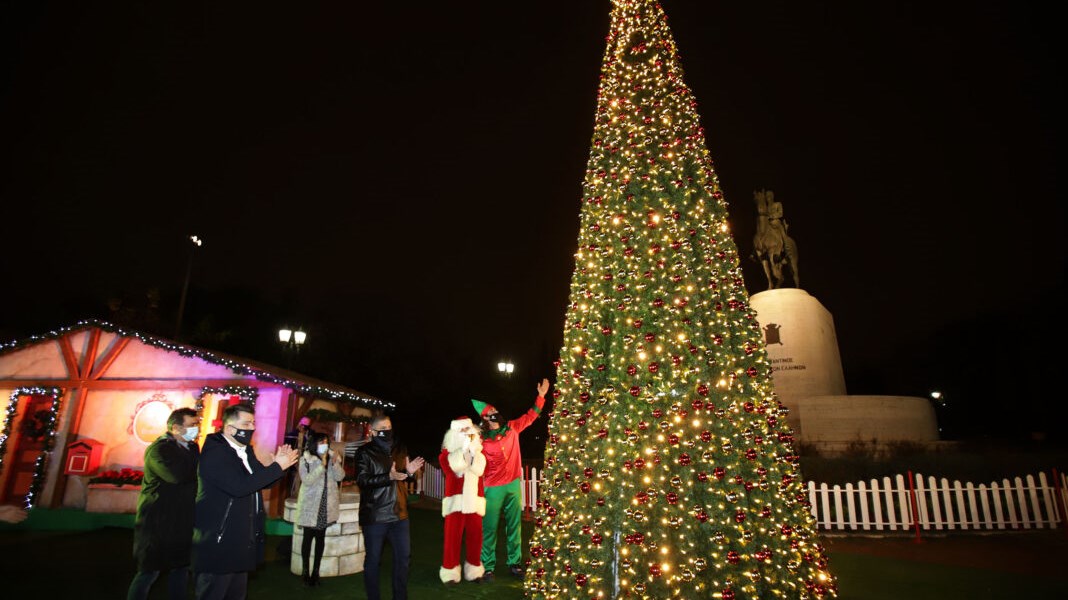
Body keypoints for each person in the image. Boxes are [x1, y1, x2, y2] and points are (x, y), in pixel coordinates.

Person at [192, 403, 299, 600]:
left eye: (253, 423)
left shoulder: (245, 451)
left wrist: (280, 468)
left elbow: (260, 481)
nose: (252, 428)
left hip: (240, 541)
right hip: (219, 541)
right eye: (247, 423)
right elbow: (239, 487)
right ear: (230, 428)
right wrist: (276, 467)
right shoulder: (216, 454)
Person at [472, 377, 550, 581]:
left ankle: (514, 564)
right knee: (489, 528)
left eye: (495, 410)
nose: (496, 413)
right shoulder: (480, 439)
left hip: (513, 484)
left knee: (514, 526)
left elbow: (531, 416)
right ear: (486, 418)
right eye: (491, 412)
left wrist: (540, 397)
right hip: (492, 488)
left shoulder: (513, 428)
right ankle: (487, 567)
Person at [127, 407, 201, 600]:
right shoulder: (159, 449)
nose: (197, 429)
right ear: (176, 428)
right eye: (192, 425)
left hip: (182, 519)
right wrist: (202, 472)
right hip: (157, 521)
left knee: (181, 568)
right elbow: (176, 476)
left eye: (197, 424)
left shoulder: (192, 447)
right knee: (149, 572)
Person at [354, 414, 425, 600]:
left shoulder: (400, 448)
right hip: (375, 515)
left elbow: (400, 475)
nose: (387, 431)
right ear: (374, 431)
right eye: (383, 428)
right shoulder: (364, 452)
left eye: (389, 427)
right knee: (373, 561)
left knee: (403, 559)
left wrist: (408, 473)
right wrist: (389, 477)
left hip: (399, 514)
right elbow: (362, 480)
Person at [438, 416, 486, 585]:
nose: (466, 433)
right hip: (455, 501)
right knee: (452, 537)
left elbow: (479, 469)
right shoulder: (446, 453)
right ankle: (450, 571)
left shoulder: (479, 451)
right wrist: (464, 451)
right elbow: (453, 468)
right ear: (454, 433)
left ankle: (474, 570)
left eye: (468, 429)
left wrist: (471, 451)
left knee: (475, 537)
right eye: (462, 430)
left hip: (474, 500)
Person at [295, 431, 345, 587]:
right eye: (321, 442)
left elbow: (340, 477)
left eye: (326, 442)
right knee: (308, 539)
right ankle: (305, 572)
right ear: (314, 443)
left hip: (325, 504)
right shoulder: (306, 459)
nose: (324, 445)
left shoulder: (331, 458)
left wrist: (335, 463)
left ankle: (316, 573)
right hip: (311, 505)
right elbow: (307, 480)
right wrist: (321, 466)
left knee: (320, 539)